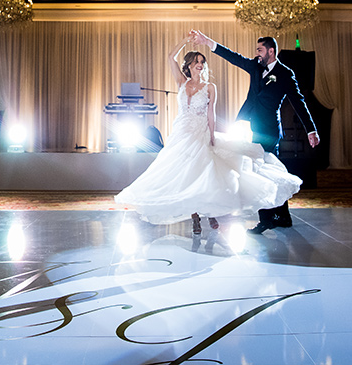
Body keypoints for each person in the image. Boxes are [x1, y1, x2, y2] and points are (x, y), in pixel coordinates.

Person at [115, 34, 302, 235]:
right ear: (189, 65)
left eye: (202, 62)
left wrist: (212, 136)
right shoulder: (181, 82)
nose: (200, 65)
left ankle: (213, 211)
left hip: (202, 131)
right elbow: (171, 57)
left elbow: (211, 115)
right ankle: (196, 214)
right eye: (197, 62)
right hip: (181, 133)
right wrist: (184, 42)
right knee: (182, 174)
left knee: (205, 171)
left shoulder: (210, 87)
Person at [190, 30, 320, 234]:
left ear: (271, 51)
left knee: (261, 171)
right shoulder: (254, 66)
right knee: (268, 172)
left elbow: (299, 103)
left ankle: (267, 219)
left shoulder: (286, 74)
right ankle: (282, 216)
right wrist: (207, 42)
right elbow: (233, 57)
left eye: (260, 50)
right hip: (248, 127)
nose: (257, 53)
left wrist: (311, 130)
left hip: (268, 131)